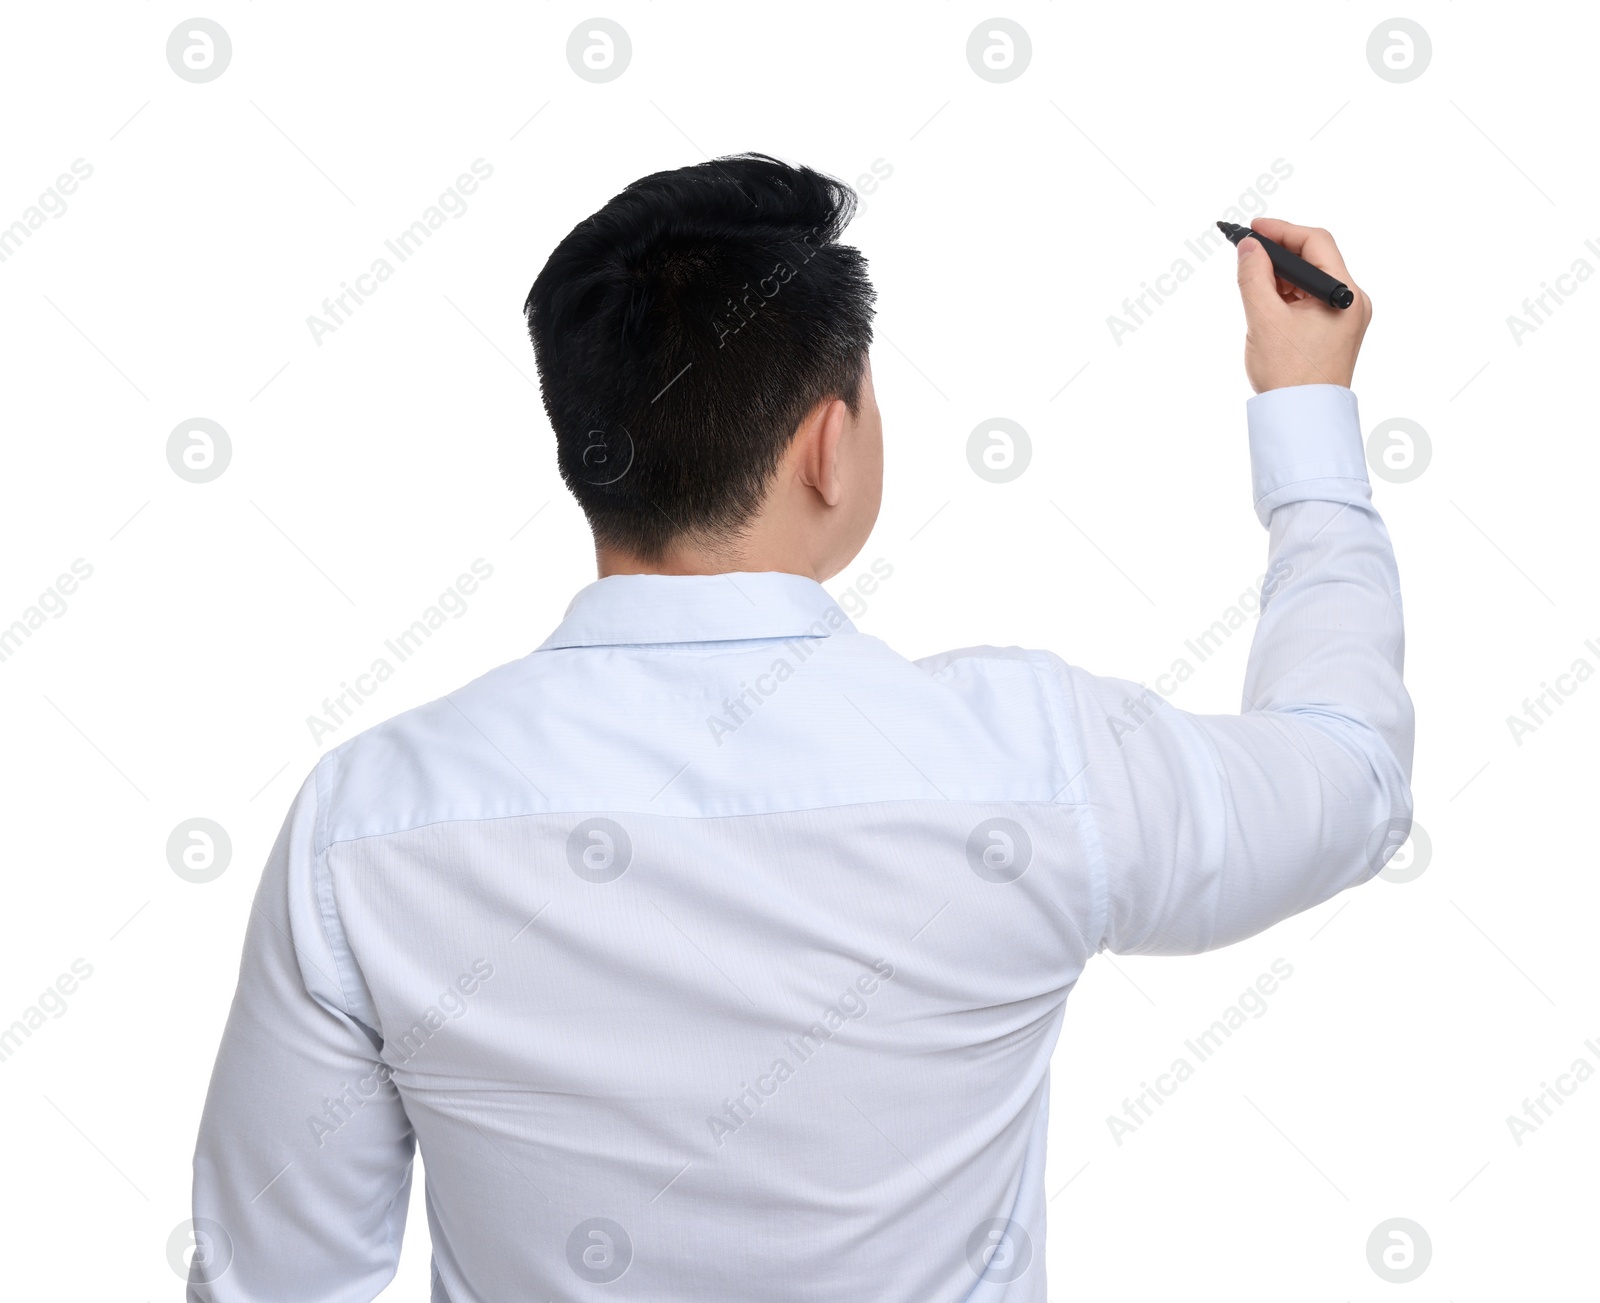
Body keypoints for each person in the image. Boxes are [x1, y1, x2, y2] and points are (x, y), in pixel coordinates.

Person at [190, 154, 1412, 1301]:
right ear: (830, 444)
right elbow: (1349, 776)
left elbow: (273, 1281)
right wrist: (1305, 414)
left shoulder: (365, 823)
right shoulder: (1035, 759)